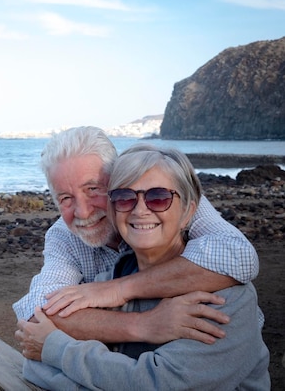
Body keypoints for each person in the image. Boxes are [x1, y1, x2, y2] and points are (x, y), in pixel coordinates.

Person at [15, 144, 270, 389]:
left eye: (158, 197)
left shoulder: (229, 296)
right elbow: (34, 358)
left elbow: (162, 382)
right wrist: (143, 325)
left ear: (189, 211)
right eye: (125, 198)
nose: (140, 210)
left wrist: (55, 349)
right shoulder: (101, 285)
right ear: (115, 208)